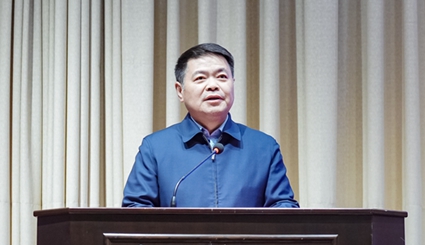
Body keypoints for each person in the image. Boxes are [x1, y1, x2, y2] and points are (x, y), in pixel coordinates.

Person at [122, 43, 299, 208]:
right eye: (200, 78)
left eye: (222, 77)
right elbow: (136, 210)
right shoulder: (155, 148)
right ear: (180, 91)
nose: (213, 86)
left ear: (233, 84)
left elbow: (283, 208)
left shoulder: (264, 147)